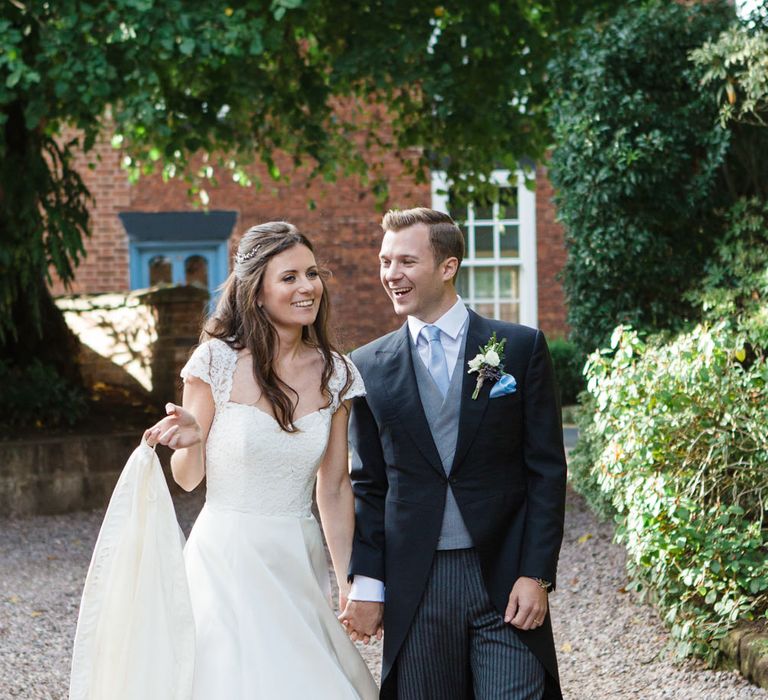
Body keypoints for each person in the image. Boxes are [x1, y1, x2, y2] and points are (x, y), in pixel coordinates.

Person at [142, 222, 378, 698]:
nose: (307, 287)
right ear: (257, 292)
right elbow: (188, 482)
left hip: (298, 553)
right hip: (226, 557)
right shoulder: (215, 362)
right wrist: (191, 441)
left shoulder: (337, 372)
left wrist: (350, 581)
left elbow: (332, 488)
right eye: (289, 277)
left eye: (311, 274)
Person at [339, 208, 567, 699]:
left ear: (447, 266)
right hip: (416, 584)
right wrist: (369, 584)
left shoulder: (520, 349)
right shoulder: (368, 367)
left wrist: (536, 574)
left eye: (406, 261)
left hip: (503, 577)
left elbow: (546, 471)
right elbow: (369, 487)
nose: (391, 275)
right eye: (385, 261)